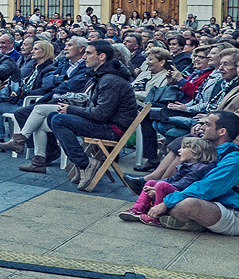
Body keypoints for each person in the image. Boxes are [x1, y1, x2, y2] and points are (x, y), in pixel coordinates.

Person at [50, 39, 140, 190]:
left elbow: (101, 114)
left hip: (112, 129)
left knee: (59, 120)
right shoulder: (104, 75)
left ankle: (85, 164)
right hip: (106, 124)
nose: (84, 57)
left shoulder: (110, 79)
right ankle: (82, 164)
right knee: (53, 117)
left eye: (88, 53)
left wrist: (70, 109)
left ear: (102, 56)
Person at [147, 111, 239, 234]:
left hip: (232, 209)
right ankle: (191, 221)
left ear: (221, 131)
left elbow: (207, 188)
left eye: (207, 124)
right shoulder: (210, 150)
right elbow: (188, 180)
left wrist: (166, 202)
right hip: (211, 200)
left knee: (186, 204)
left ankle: (194, 222)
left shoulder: (233, 159)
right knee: (165, 196)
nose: (202, 127)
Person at [119, 136, 216, 225]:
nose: (179, 150)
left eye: (184, 148)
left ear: (195, 152)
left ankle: (156, 217)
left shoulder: (198, 169)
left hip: (185, 194)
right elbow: (174, 179)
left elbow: (182, 185)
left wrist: (156, 189)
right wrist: (154, 185)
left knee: (161, 185)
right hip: (180, 190)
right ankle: (137, 209)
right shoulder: (189, 165)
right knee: (151, 182)